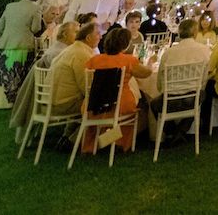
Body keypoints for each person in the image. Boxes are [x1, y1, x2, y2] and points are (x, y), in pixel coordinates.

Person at [81, 26, 151, 155]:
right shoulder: (128, 60)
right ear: (125, 44)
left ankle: (99, 142)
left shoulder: (93, 60)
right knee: (143, 106)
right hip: (118, 105)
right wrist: (151, 62)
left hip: (92, 106)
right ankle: (118, 142)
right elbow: (146, 73)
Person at [0, 0, 44, 110]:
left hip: (4, 45)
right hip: (22, 46)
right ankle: (13, 100)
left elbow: (0, 26)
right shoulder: (36, 8)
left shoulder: (10, 6)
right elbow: (35, 28)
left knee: (0, 74)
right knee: (16, 74)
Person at [49, 21, 100, 115]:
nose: (101, 37)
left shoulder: (73, 48)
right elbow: (88, 88)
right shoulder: (82, 54)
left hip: (51, 102)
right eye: (98, 34)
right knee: (106, 105)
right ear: (88, 38)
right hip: (62, 105)